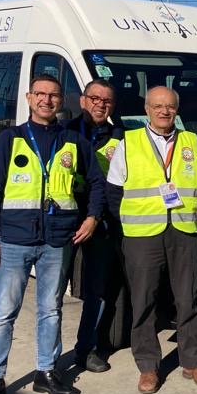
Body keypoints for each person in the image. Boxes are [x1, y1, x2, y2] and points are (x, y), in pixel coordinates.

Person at [0, 74, 104, 394]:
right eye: (41, 94)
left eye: (54, 95)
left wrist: (91, 218)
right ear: (29, 98)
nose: (47, 100)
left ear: (62, 101)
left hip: (57, 240)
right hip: (14, 240)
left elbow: (96, 183)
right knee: (4, 313)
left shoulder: (73, 141)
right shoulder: (11, 139)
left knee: (51, 309)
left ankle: (46, 371)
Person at [106, 86, 197, 394]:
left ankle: (193, 361)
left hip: (183, 231)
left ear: (176, 110)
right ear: (147, 110)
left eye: (169, 106)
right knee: (144, 302)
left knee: (189, 298)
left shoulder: (191, 141)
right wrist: (129, 223)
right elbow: (113, 192)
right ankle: (148, 366)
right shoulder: (128, 143)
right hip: (142, 236)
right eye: (158, 106)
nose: (164, 111)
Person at [65, 78, 124, 373]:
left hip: (100, 222)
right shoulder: (64, 132)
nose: (101, 105)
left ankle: (86, 349)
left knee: (97, 290)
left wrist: (97, 217)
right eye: (95, 99)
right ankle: (47, 359)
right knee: (52, 295)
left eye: (107, 100)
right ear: (83, 100)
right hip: (63, 221)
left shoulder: (121, 138)